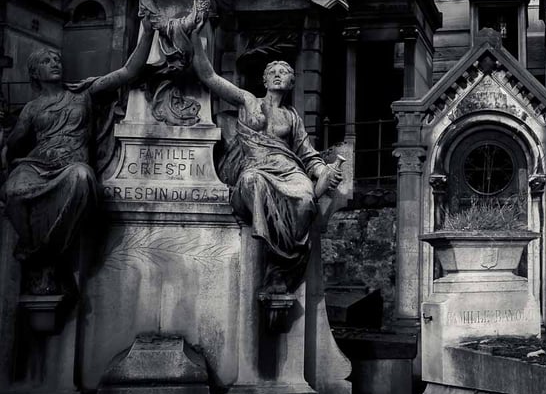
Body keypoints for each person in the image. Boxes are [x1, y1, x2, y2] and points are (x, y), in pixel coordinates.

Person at [1, 17, 154, 294]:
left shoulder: (83, 94)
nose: (55, 62)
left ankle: (46, 256)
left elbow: (129, 71)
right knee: (13, 190)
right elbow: (15, 145)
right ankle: (33, 251)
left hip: (72, 164)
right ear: (35, 72)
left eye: (57, 59)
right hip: (36, 164)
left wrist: (148, 29)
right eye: (47, 61)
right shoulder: (31, 108)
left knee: (82, 179)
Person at [191, 30, 341, 294]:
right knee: (252, 183)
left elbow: (307, 154)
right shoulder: (248, 101)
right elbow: (209, 77)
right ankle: (274, 261)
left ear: (292, 82)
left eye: (283, 71)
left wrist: (324, 171)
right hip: (256, 168)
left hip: (290, 171)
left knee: (306, 203)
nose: (277, 74)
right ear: (264, 79)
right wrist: (195, 40)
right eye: (272, 72)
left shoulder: (292, 116)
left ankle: (281, 268)